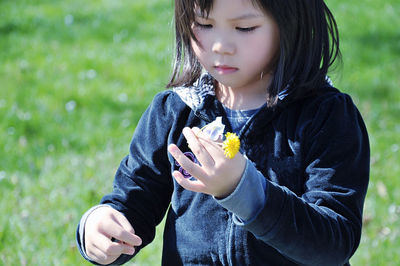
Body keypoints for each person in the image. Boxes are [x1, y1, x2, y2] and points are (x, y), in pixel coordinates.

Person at [76, 0, 370, 265]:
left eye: (245, 27)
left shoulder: (326, 116)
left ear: (291, 22)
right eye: (204, 24)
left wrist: (244, 191)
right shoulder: (175, 111)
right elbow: (133, 203)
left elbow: (334, 243)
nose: (221, 45)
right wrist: (101, 227)